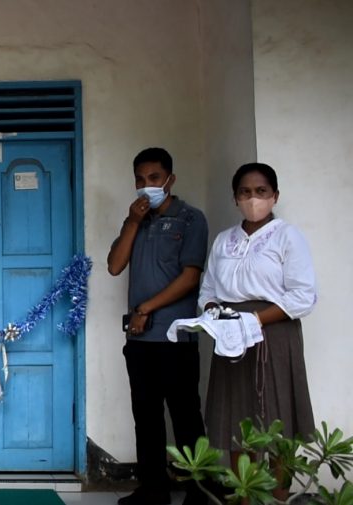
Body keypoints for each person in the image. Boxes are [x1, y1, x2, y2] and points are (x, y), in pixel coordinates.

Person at [198, 163, 315, 501]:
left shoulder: (286, 236)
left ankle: (278, 496)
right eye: (245, 192)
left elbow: (303, 294)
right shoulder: (224, 241)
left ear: (274, 195)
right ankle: (243, 496)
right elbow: (208, 290)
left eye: (261, 191)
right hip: (231, 337)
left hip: (274, 333)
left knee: (278, 418)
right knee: (237, 419)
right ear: (235, 198)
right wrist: (214, 316)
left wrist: (257, 320)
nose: (253, 198)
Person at [106, 148, 208, 505]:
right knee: (146, 417)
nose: (146, 186)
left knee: (185, 416)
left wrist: (145, 307)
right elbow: (115, 265)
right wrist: (133, 222)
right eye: (139, 179)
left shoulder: (191, 219)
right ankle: (153, 489)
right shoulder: (137, 220)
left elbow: (191, 277)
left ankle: (199, 490)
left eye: (153, 178)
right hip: (140, 338)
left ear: (170, 180)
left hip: (175, 335)